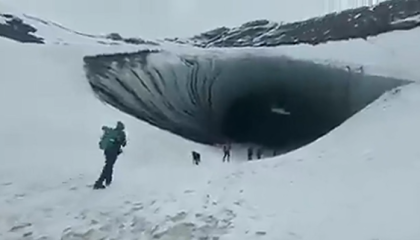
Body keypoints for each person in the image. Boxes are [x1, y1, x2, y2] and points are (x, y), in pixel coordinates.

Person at [93, 121, 127, 189]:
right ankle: (99, 183)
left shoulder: (112, 132)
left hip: (107, 151)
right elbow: (123, 144)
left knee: (109, 165)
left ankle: (108, 180)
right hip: (113, 152)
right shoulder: (121, 134)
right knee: (108, 166)